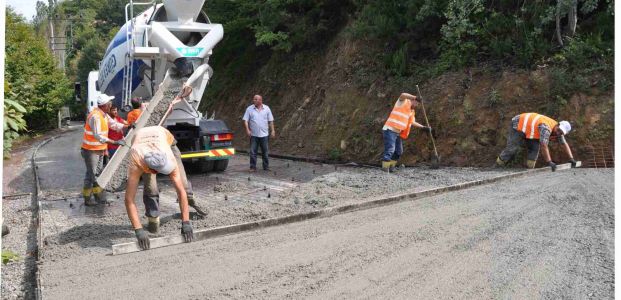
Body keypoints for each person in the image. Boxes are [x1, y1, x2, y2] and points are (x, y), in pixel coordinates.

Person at [124, 125, 207, 250]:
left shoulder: (168, 156)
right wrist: (138, 230)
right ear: (150, 169)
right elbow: (129, 200)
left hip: (164, 137)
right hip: (139, 140)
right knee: (151, 187)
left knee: (183, 184)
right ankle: (153, 218)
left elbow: (180, 191)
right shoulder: (136, 161)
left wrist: (186, 222)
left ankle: (191, 199)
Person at [81, 94, 129, 206]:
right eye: (109, 103)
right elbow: (98, 135)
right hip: (90, 150)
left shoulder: (104, 115)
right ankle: (89, 199)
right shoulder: (95, 116)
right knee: (92, 175)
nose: (111, 105)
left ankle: (97, 197)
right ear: (105, 105)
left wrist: (127, 126)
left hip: (99, 149)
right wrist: (114, 142)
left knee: (97, 174)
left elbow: (113, 124)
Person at [496, 112, 576, 171]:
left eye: (561, 133)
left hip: (531, 129)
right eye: (558, 130)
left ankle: (529, 170)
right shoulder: (546, 127)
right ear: (558, 125)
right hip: (519, 124)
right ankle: (497, 166)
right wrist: (549, 162)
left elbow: (564, 144)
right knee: (512, 148)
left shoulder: (558, 132)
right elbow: (544, 145)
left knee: (534, 148)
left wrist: (571, 158)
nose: (558, 133)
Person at [381, 93, 432, 172]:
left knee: (399, 151)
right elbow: (402, 94)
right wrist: (415, 97)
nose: (417, 105)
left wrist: (424, 127)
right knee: (390, 149)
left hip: (397, 132)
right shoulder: (403, 102)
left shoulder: (411, 111)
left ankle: (391, 167)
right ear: (413, 100)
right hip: (390, 129)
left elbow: (412, 122)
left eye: (418, 104)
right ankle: (385, 168)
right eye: (417, 103)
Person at [242, 94, 275, 171]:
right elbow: (245, 120)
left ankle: (266, 167)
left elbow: (270, 121)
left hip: (264, 134)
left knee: (265, 152)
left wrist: (273, 130)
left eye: (256, 99)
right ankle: (253, 167)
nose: (254, 100)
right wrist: (247, 129)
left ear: (260, 100)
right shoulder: (249, 109)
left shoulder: (266, 108)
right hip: (254, 134)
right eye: (254, 99)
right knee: (253, 152)